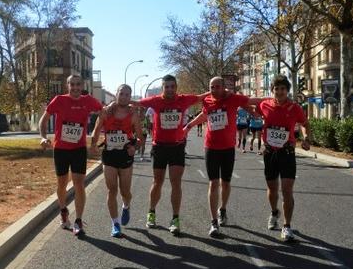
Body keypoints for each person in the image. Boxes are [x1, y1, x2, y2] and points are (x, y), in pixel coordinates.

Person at [184, 76, 261, 237]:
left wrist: (276, 100)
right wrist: (189, 126)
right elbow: (205, 115)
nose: (214, 90)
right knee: (213, 183)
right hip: (211, 147)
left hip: (228, 148)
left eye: (217, 86)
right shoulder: (207, 101)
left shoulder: (233, 99)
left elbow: (253, 100)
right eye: (212, 87)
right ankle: (213, 222)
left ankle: (223, 209)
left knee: (225, 183)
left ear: (223, 87)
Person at [134, 74, 208, 235]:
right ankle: (151, 212)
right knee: (157, 182)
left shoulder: (183, 99)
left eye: (172, 86)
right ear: (162, 88)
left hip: (177, 147)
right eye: (166, 87)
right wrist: (112, 105)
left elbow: (203, 97)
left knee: (176, 183)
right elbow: (136, 103)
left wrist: (223, 92)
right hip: (159, 147)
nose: (169, 89)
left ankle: (175, 218)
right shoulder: (155, 101)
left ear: (176, 87)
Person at [39, 74, 103, 237]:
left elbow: (104, 112)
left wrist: (98, 137)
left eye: (78, 85)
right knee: (62, 183)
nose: (75, 87)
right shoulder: (59, 100)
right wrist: (43, 137)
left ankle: (78, 221)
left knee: (79, 184)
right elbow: (44, 120)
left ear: (82, 86)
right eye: (72, 85)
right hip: (60, 149)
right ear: (67, 86)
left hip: (79, 149)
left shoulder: (88, 100)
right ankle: (63, 210)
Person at [257, 75, 311, 242]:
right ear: (272, 90)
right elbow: (252, 107)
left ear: (287, 91)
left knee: (287, 191)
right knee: (272, 189)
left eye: (283, 89)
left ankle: (287, 226)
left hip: (287, 153)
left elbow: (305, 124)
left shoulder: (295, 108)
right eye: (277, 89)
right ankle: (274, 212)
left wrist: (306, 139)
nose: (280, 92)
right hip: (270, 152)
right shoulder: (264, 105)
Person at [91, 84, 143, 238]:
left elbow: (140, 138)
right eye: (122, 93)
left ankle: (126, 206)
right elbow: (96, 128)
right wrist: (93, 144)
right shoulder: (107, 112)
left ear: (130, 97)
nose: (124, 97)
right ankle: (115, 223)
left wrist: (135, 147)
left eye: (128, 94)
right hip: (109, 155)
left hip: (125, 156)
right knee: (112, 190)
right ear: (116, 94)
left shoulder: (133, 115)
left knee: (125, 191)